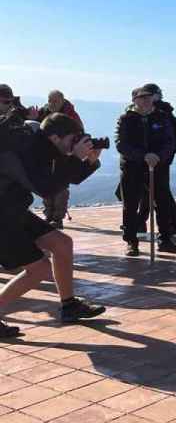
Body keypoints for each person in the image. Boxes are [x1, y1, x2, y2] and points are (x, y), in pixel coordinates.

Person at [0, 113, 106, 337]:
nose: (74, 144)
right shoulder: (22, 150)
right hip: (3, 215)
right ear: (55, 137)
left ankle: (69, 306)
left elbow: (69, 177)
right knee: (39, 269)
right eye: (72, 139)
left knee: (62, 244)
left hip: (12, 209)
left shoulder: (46, 146)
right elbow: (45, 189)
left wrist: (90, 160)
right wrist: (76, 157)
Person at [116, 86, 176, 256]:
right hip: (132, 168)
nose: (145, 100)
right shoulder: (125, 119)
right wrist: (143, 156)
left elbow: (170, 142)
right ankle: (131, 241)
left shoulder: (162, 117)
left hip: (158, 168)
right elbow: (121, 144)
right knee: (130, 204)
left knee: (163, 203)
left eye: (148, 97)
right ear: (134, 100)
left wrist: (158, 157)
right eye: (141, 98)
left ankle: (165, 240)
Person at [36, 90, 83, 229]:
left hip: (64, 155)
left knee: (61, 187)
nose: (52, 104)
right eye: (50, 100)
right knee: (46, 185)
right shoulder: (43, 112)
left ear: (62, 100)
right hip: (45, 155)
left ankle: (57, 218)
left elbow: (79, 131)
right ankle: (48, 214)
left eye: (55, 101)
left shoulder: (71, 114)